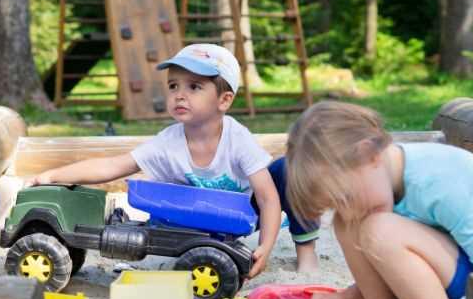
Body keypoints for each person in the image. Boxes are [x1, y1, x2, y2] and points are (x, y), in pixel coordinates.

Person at [29, 44, 318, 276]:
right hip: (197, 218)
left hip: (243, 210)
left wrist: (265, 248)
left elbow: (268, 198)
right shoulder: (168, 141)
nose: (179, 95)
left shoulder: (237, 139)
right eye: (173, 86)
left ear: (224, 100)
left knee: (290, 170)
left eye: (194, 87)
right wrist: (54, 176)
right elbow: (115, 165)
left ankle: (307, 253)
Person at [284, 101, 473, 299]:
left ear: (369, 155)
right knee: (347, 224)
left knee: (380, 231)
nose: (349, 209)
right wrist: (349, 298)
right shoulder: (381, 181)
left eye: (348, 197)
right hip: (463, 270)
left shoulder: (436, 182)